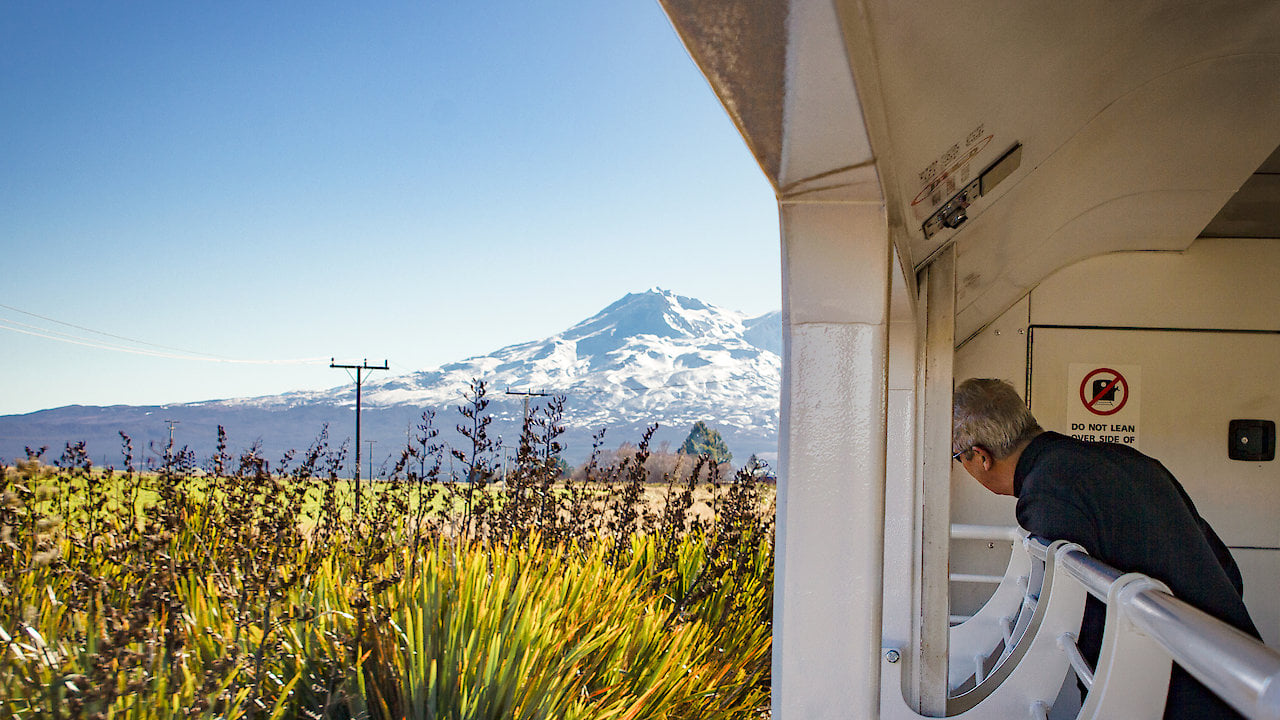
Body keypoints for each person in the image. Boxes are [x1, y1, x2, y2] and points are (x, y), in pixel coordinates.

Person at [951, 378, 1261, 720]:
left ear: (980, 457)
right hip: (1241, 669)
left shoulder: (1045, 493)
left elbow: (1075, 616)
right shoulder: (1128, 460)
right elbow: (1224, 566)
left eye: (957, 459)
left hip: (1172, 694)